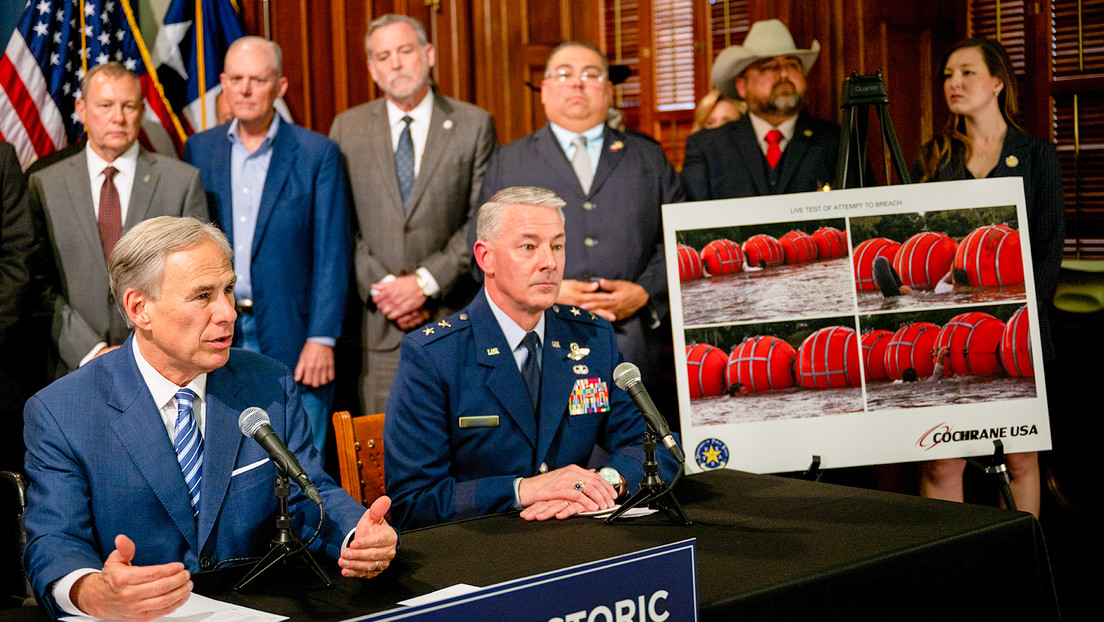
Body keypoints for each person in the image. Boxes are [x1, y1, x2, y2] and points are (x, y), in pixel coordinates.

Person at [22, 216, 397, 621]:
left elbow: (308, 490)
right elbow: (55, 540)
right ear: (139, 308)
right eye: (203, 295)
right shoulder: (63, 411)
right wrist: (92, 592)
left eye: (228, 290)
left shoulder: (267, 382)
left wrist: (358, 535)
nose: (228, 313)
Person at [384, 187, 679, 530]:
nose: (549, 262)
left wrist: (606, 481)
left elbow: (659, 448)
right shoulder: (434, 355)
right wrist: (525, 490)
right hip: (482, 549)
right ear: (485, 258)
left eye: (557, 246)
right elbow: (414, 501)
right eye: (528, 247)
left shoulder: (590, 337)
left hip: (576, 538)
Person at [478, 41, 683, 399]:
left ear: (607, 90)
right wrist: (546, 288)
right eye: (564, 74)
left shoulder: (647, 157)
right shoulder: (508, 162)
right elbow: (479, 252)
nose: (577, 84)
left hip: (631, 341)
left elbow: (679, 239)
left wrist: (645, 292)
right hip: (539, 339)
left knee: (632, 447)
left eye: (591, 75)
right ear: (544, 92)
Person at [914, 37, 1065, 518]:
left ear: (997, 82)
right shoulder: (934, 159)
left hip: (1019, 336)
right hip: (949, 335)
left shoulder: (1038, 155)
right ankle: (951, 579)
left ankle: (1022, 578)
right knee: (941, 464)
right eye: (946, 76)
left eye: (966, 73)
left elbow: (1048, 251)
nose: (953, 83)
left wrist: (1011, 317)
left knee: (1020, 461)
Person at [183, 37, 351, 455]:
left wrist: (323, 337)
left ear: (280, 86)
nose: (245, 89)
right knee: (227, 452)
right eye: (236, 79)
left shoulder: (317, 153)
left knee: (299, 456)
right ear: (222, 82)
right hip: (217, 325)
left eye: (257, 79)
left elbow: (332, 251)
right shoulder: (199, 149)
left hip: (295, 334)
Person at [330, 14, 497, 414]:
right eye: (383, 56)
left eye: (405, 51)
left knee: (464, 445)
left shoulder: (473, 125)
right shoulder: (347, 128)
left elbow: (482, 220)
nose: (397, 64)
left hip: (454, 318)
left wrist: (424, 283)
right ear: (371, 68)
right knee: (383, 456)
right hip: (380, 330)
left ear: (429, 54)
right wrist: (388, 290)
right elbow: (339, 226)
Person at [27, 63, 208, 380]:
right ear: (81, 110)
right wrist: (91, 350)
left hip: (162, 365)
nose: (118, 118)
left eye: (128, 106)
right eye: (105, 106)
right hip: (72, 368)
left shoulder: (181, 182)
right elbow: (38, 284)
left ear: (141, 109)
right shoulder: (44, 185)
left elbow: (196, 282)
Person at [681, 19, 842, 199]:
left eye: (791, 65)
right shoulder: (707, 148)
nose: (783, 75)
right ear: (742, 86)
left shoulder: (838, 141)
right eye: (769, 67)